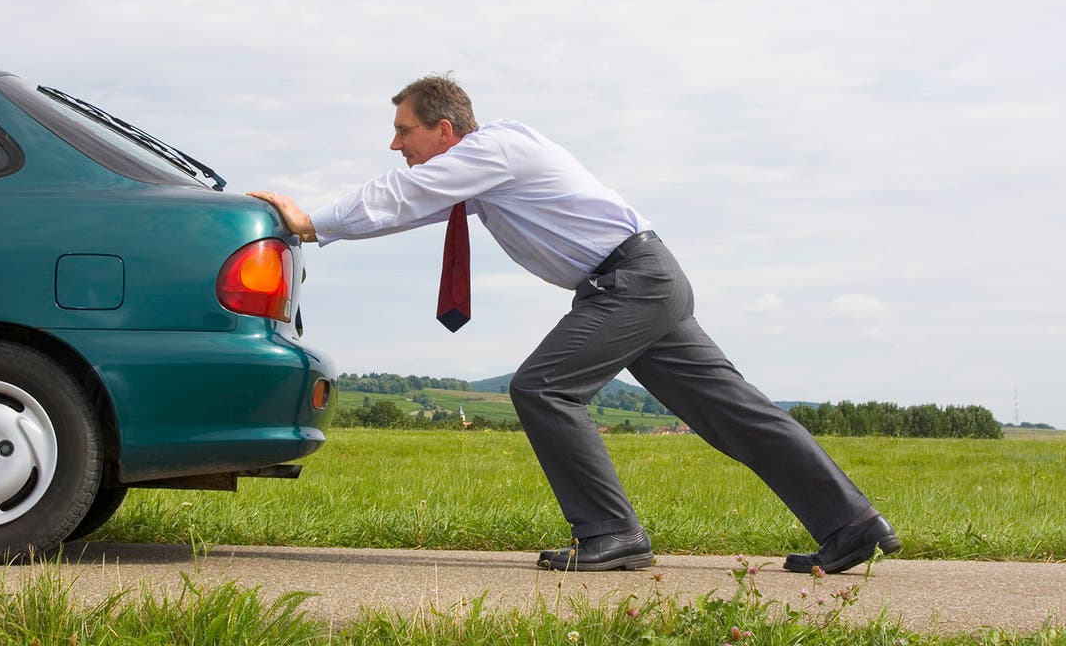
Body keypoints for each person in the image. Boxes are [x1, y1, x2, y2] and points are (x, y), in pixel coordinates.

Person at [248, 74, 901, 573]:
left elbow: (402, 194)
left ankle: (611, 534)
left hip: (631, 283)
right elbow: (409, 210)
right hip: (642, 280)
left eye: (404, 130)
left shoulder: (497, 147)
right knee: (735, 412)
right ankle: (852, 526)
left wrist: (311, 218)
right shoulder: (482, 172)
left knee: (542, 387)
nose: (395, 144)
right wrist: (324, 231)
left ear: (444, 131)